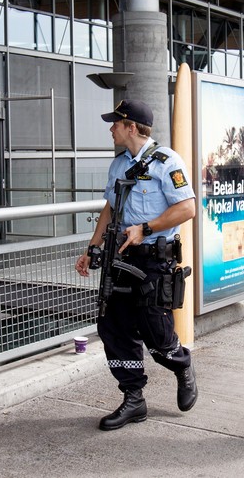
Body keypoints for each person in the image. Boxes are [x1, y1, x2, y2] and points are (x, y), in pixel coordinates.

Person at [75, 99, 197, 431]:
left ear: (131, 127)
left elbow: (187, 208)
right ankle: (134, 398)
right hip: (121, 259)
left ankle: (182, 365)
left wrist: (146, 228)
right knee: (113, 326)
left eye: (115, 123)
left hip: (154, 262)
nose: (110, 128)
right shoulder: (118, 165)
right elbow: (110, 209)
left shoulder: (166, 161)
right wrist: (92, 247)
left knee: (156, 332)